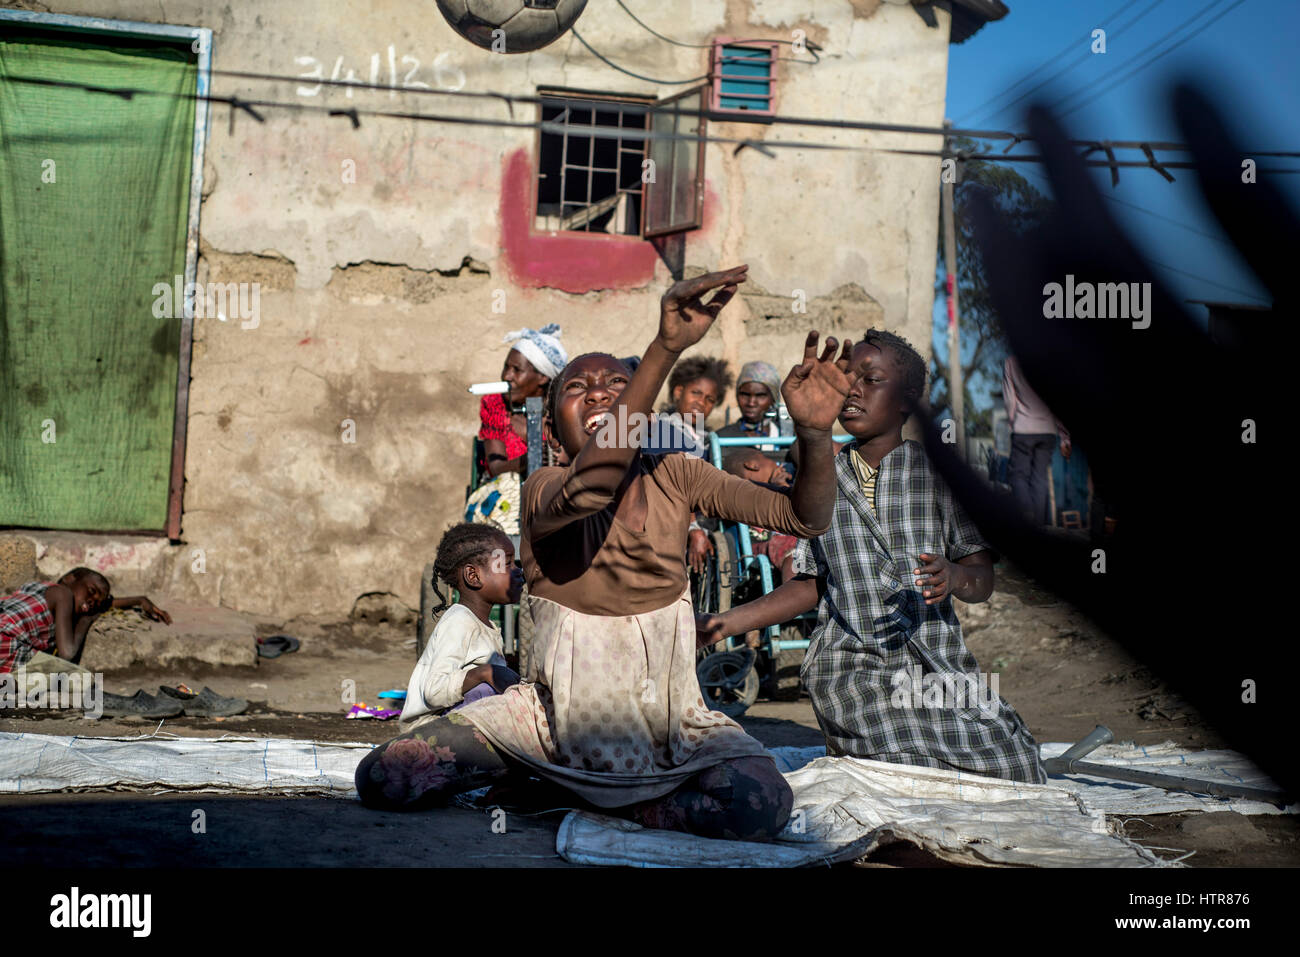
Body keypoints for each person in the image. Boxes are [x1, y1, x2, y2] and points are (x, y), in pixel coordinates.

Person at [356, 265, 854, 840]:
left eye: (617, 387)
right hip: (543, 723)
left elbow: (803, 517)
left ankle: (575, 795)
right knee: (389, 777)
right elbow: (593, 485)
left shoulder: (680, 474)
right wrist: (664, 348)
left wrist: (816, 436)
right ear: (552, 431)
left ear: (639, 411)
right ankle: (567, 782)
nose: (597, 392)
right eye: (576, 387)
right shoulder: (545, 488)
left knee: (763, 804)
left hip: (668, 725)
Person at [698, 330, 1046, 784]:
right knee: (902, 760)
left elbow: (982, 580)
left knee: (1016, 764)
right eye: (847, 377)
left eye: (872, 379)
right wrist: (723, 623)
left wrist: (956, 575)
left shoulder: (939, 478)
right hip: (851, 664)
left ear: (907, 400)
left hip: (935, 663)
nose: (854, 389)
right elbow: (811, 583)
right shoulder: (822, 481)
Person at [399, 524, 524, 730]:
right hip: (428, 728)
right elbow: (434, 690)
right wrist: (486, 673)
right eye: (507, 564)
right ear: (473, 576)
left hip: (452, 723)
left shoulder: (485, 625)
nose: (518, 571)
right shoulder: (459, 622)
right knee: (488, 692)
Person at [1, 568, 171, 675]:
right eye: (91, 591)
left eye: (97, 603)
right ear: (69, 579)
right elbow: (67, 653)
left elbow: (100, 603)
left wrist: (139, 600)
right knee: (74, 676)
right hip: (6, 641)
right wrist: (86, 620)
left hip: (8, 643)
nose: (92, 602)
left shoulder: (40, 589)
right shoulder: (63, 594)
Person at [478, 324, 568, 480]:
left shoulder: (565, 411)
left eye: (516, 370)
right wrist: (531, 459)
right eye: (506, 367)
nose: (507, 376)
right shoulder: (495, 406)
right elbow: (496, 468)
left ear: (542, 377)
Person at [1002, 354, 1070, 525]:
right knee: (1040, 479)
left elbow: (1010, 400)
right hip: (1047, 431)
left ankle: (1027, 515)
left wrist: (1013, 423)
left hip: (1023, 430)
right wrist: (1064, 437)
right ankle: (1038, 525)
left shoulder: (1011, 362)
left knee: (1018, 475)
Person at [715, 360, 790, 463]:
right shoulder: (722, 437)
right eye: (745, 394)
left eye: (760, 395)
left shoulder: (787, 434)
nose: (751, 403)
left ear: (773, 399)